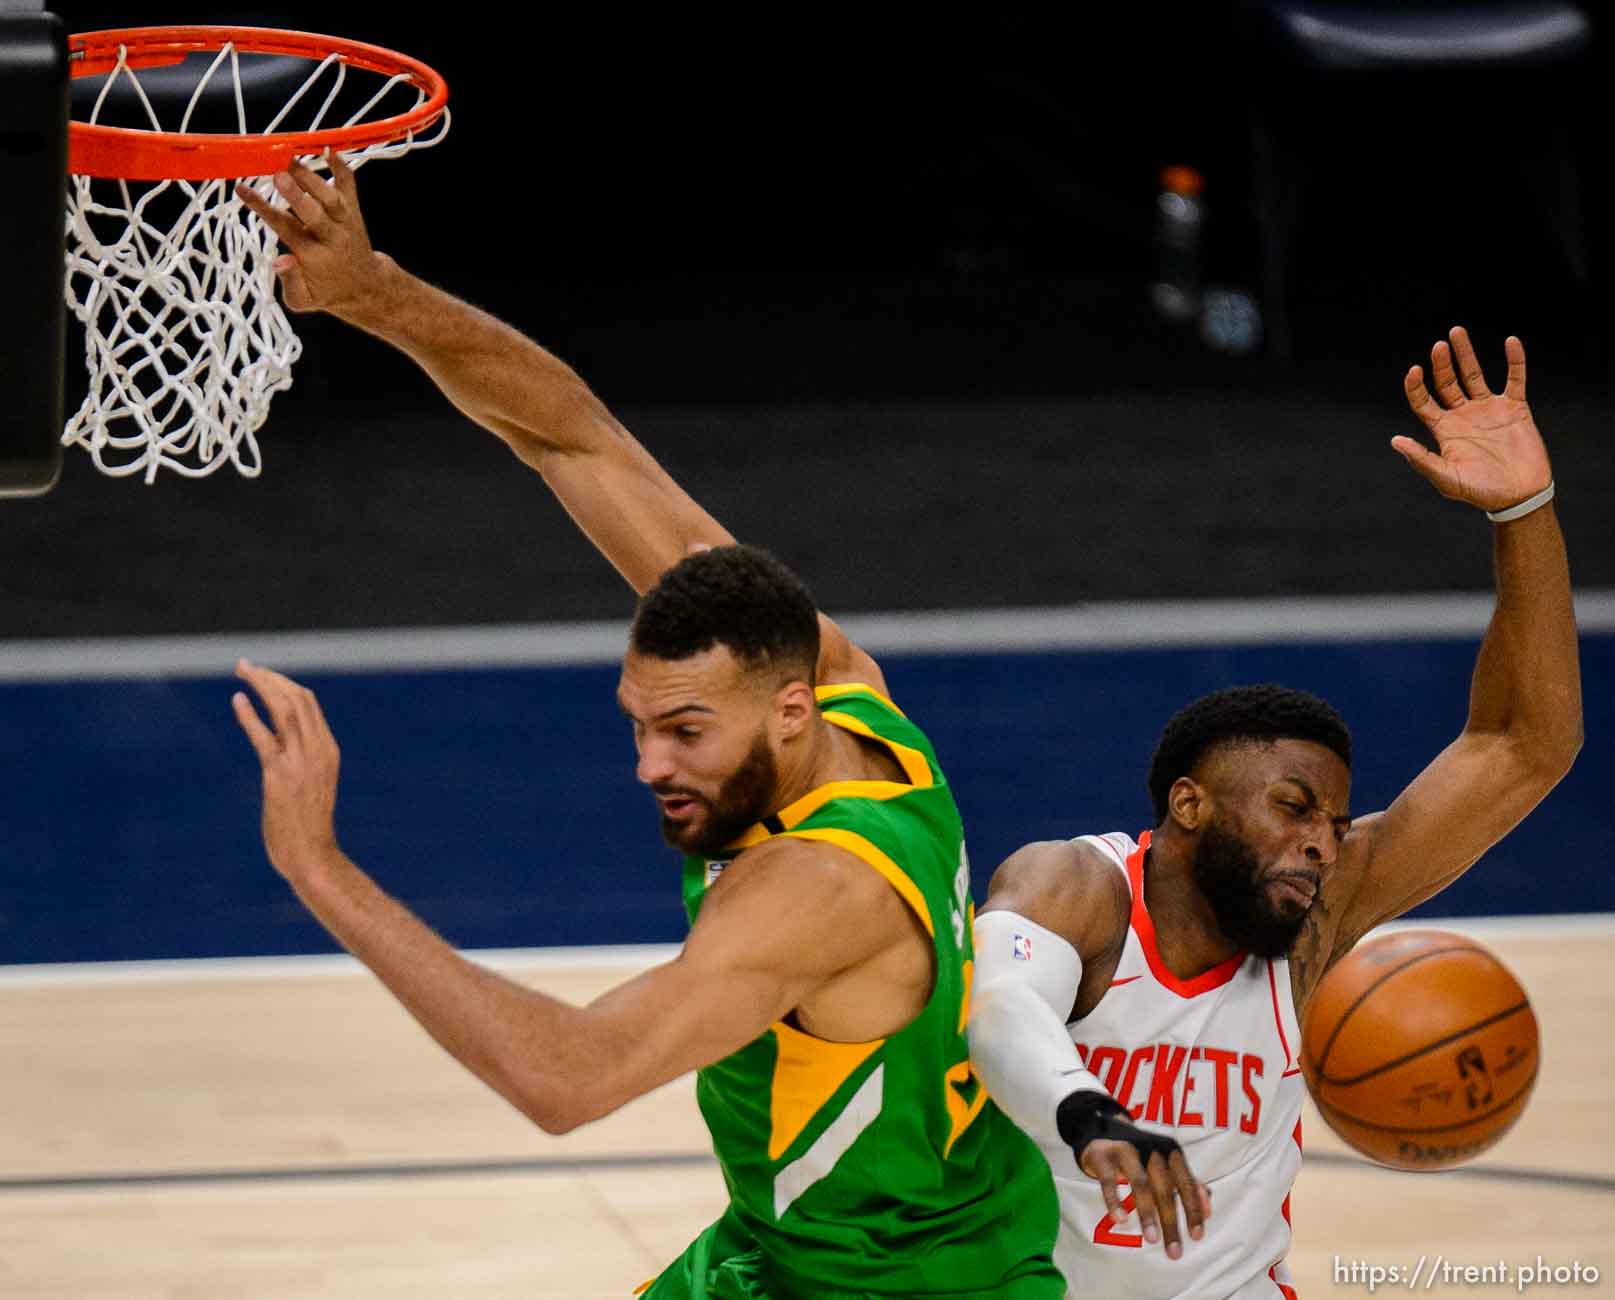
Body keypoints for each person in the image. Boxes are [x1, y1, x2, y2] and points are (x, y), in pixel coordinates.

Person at [231, 152, 1082, 1298]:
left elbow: (569, 1079)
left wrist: (319, 869)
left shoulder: (807, 892)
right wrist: (375, 293)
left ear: (786, 711)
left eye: (683, 731)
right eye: (638, 724)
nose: (649, 765)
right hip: (812, 1247)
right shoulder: (839, 685)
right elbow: (570, 435)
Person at [965, 326, 1583, 1299]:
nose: (1320, 838)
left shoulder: (1314, 920)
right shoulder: (1076, 889)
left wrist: (1526, 512)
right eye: (1294, 806)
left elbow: (1523, 745)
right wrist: (1088, 1114)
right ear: (1188, 802)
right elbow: (997, 1008)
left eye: (1335, 822)